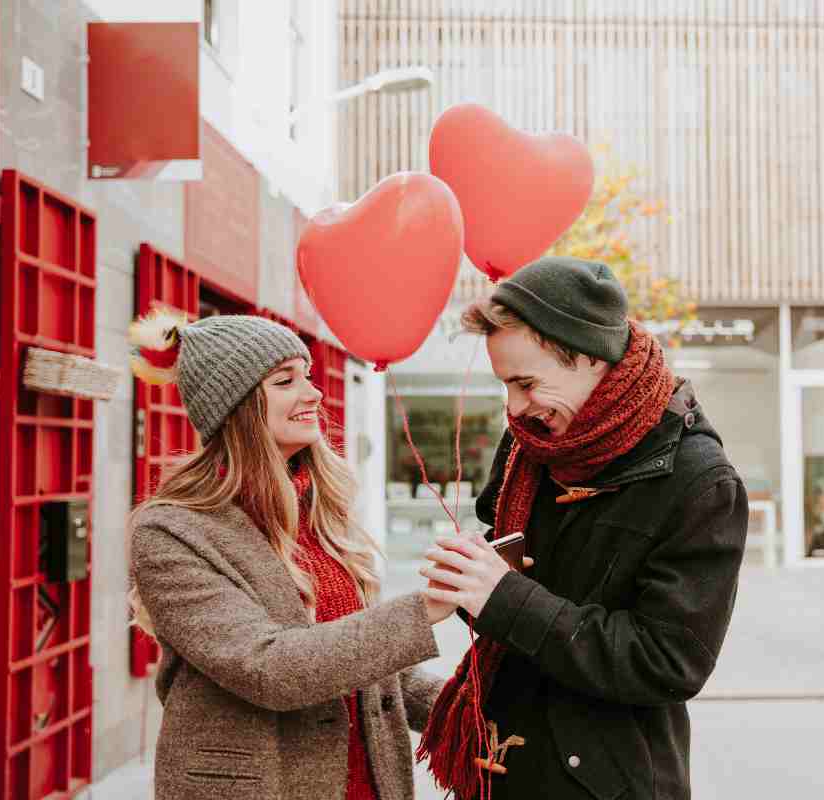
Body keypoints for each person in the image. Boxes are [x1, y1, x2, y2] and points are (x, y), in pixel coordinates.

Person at [417, 256, 749, 800]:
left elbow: (669, 662)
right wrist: (472, 577)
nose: (515, 408)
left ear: (592, 358)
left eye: (526, 383)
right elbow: (507, 566)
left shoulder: (701, 483)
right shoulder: (535, 443)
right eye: (506, 385)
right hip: (501, 764)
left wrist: (504, 598)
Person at [127, 312, 450, 800]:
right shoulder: (172, 532)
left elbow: (362, 660)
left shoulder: (316, 508)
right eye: (285, 381)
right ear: (236, 408)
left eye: (308, 375)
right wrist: (426, 610)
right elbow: (270, 668)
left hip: (366, 784)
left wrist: (465, 711)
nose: (314, 393)